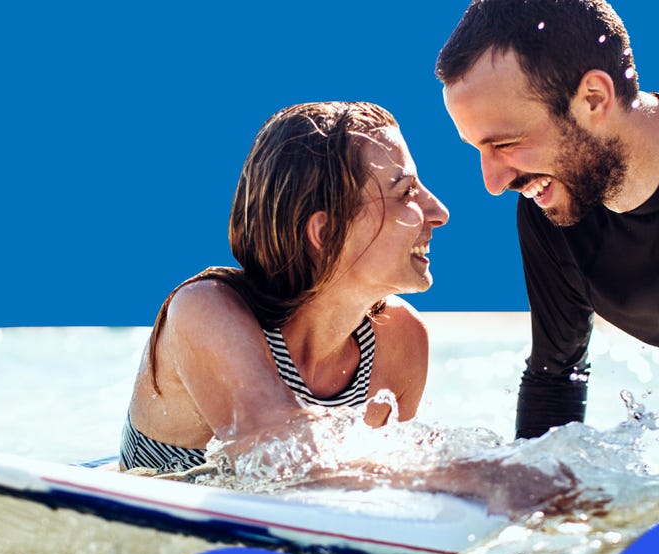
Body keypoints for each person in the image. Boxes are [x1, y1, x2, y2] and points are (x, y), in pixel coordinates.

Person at [119, 101, 449, 474]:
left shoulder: (400, 341)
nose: (438, 212)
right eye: (406, 192)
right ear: (325, 233)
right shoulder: (204, 309)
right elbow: (277, 454)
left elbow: (375, 501)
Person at [436, 0, 659, 438]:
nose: (494, 183)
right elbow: (555, 379)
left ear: (593, 99)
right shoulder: (555, 214)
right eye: (477, 149)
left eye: (505, 142)